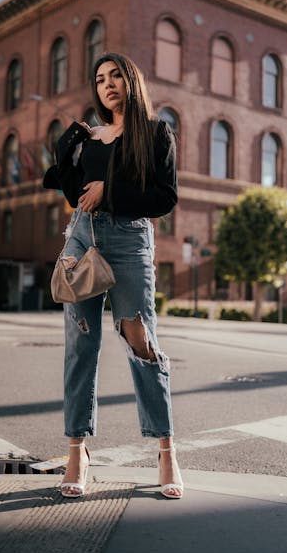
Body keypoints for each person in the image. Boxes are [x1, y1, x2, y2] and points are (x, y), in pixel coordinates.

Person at [44, 52, 183, 499]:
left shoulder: (156, 133)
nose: (107, 84)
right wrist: (68, 150)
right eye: (100, 78)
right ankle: (76, 451)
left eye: (115, 75)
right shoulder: (91, 136)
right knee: (80, 344)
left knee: (140, 340)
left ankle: (166, 450)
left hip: (128, 241)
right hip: (83, 239)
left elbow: (165, 198)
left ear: (131, 81)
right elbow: (71, 194)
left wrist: (111, 191)